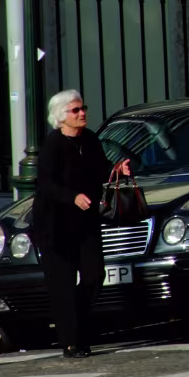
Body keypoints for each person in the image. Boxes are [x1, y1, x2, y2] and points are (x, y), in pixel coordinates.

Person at [34, 89, 130, 359]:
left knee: (94, 275)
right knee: (62, 285)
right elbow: (46, 184)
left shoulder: (89, 139)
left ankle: (77, 323)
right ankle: (71, 342)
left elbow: (101, 168)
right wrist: (72, 197)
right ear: (60, 116)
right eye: (75, 110)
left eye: (83, 108)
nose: (82, 113)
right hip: (55, 225)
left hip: (85, 222)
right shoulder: (53, 145)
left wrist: (117, 170)